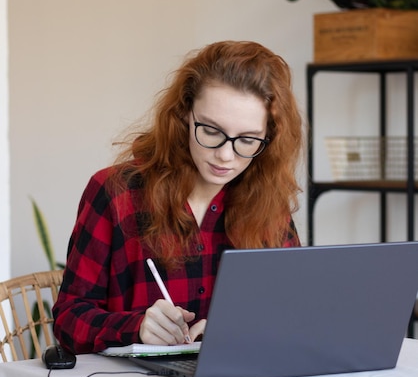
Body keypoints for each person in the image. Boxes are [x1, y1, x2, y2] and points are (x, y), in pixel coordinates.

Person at [53, 40, 303, 354]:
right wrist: (137, 327)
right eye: (211, 130)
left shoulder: (269, 204)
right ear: (184, 113)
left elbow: (292, 314)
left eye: (248, 140)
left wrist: (235, 331)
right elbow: (68, 320)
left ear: (269, 137)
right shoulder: (116, 193)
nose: (225, 155)